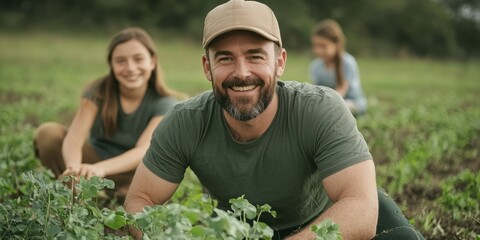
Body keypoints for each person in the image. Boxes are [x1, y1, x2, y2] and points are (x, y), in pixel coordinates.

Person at [124, 1, 424, 239]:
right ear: (207, 66)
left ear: (280, 61)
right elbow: (140, 199)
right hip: (240, 232)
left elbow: (360, 208)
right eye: (225, 58)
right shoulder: (185, 121)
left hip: (327, 226)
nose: (241, 72)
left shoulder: (320, 109)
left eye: (255, 56)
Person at [34, 27, 183, 200]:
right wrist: (73, 170)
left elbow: (143, 151)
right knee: (48, 133)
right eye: (120, 61)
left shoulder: (164, 103)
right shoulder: (98, 92)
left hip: (135, 172)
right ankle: (71, 192)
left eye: (138, 59)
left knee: (131, 199)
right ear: (111, 65)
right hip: (94, 162)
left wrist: (101, 169)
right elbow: (74, 139)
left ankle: (123, 192)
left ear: (153, 61)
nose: (130, 68)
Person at [309, 19, 367, 116]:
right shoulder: (316, 66)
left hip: (350, 102)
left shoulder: (347, 62)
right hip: (327, 103)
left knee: (341, 108)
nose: (318, 50)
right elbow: (316, 90)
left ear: (336, 44)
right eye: (316, 46)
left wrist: (326, 106)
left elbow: (341, 91)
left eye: (323, 46)